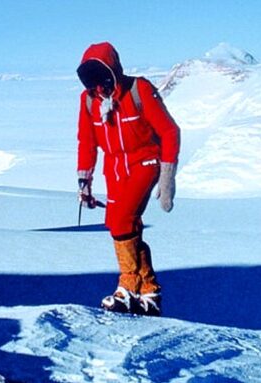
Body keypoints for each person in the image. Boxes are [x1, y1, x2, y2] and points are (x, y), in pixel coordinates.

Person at [75, 42, 180, 316]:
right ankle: (150, 291)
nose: (99, 86)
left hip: (144, 162)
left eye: (102, 77)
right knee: (121, 224)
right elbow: (87, 141)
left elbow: (169, 132)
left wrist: (167, 178)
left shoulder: (139, 90)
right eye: (92, 80)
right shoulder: (88, 102)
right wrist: (84, 181)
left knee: (122, 220)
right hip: (115, 168)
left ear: (114, 71)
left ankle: (128, 287)